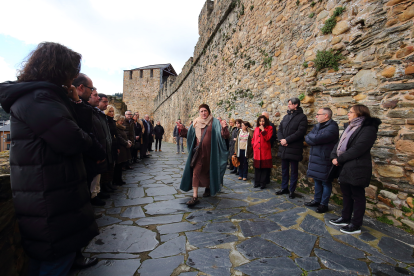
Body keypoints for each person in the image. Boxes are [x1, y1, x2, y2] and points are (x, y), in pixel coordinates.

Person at [0, 42, 99, 276]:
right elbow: (74, 139)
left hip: (51, 191)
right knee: (53, 262)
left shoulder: (45, 97)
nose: (73, 78)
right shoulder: (38, 98)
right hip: (47, 195)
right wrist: (91, 144)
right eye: (71, 72)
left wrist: (76, 103)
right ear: (58, 69)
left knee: (53, 258)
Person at [329, 105, 381, 234]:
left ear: (359, 114)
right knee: (346, 193)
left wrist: (339, 159)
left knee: (357, 196)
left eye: (350, 112)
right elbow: (339, 144)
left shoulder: (368, 129)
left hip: (358, 167)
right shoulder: (349, 127)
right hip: (344, 166)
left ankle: (356, 224)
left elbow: (358, 148)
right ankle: (345, 218)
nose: (348, 114)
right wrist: (334, 156)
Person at [178, 104, 229, 206]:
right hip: (199, 153)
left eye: (205, 111)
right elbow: (189, 135)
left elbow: (223, 135)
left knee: (209, 171)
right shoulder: (196, 122)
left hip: (211, 153)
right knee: (195, 172)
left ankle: (208, 188)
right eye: (201, 111)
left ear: (208, 111)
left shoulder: (214, 122)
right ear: (199, 112)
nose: (203, 113)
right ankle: (195, 196)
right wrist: (182, 129)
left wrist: (224, 128)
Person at [73, 74, 108, 206]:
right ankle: (93, 196)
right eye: (94, 93)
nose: (98, 98)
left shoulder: (91, 112)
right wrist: (98, 151)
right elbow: (86, 133)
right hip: (89, 154)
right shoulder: (86, 111)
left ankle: (96, 193)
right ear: (81, 88)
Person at [304, 108, 339, 213]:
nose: (316, 116)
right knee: (317, 181)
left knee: (325, 182)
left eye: (318, 114)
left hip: (325, 159)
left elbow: (315, 139)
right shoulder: (318, 126)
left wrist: (314, 138)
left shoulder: (332, 127)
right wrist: (314, 138)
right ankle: (317, 200)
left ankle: (324, 204)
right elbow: (308, 137)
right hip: (316, 158)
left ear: (326, 116)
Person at [275, 98, 308, 199]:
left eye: (290, 104)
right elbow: (280, 129)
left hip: (294, 148)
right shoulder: (286, 117)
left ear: (296, 105)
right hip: (284, 148)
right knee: (284, 170)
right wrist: (281, 140)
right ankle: (284, 187)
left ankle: (292, 190)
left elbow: (300, 132)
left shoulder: (302, 117)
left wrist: (287, 140)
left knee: (294, 171)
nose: (288, 106)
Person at [97, 94, 117, 194]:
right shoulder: (102, 118)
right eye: (104, 102)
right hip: (104, 146)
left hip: (110, 145)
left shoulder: (110, 121)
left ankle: (108, 183)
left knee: (110, 166)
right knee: (104, 167)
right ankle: (103, 186)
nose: (106, 103)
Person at [252, 115, 273, 189]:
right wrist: (253, 145)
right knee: (257, 168)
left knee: (264, 168)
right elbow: (253, 138)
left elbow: (267, 138)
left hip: (265, 152)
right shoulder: (256, 129)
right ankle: (257, 182)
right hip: (257, 152)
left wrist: (263, 130)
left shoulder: (269, 128)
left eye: (263, 121)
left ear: (265, 121)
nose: (261, 122)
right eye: (260, 121)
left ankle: (263, 183)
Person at [104, 105, 120, 190]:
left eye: (112, 111)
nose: (111, 113)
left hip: (113, 144)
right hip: (108, 144)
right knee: (108, 164)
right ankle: (105, 184)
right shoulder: (105, 121)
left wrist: (117, 146)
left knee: (112, 164)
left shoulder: (112, 122)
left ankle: (109, 182)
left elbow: (116, 135)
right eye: (110, 111)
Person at [114, 115, 132, 185]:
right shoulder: (116, 128)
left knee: (120, 165)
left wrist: (128, 141)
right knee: (118, 165)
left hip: (123, 148)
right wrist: (126, 143)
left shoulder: (121, 128)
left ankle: (119, 179)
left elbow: (124, 136)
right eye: (120, 120)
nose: (122, 122)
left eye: (122, 120)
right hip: (120, 148)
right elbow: (119, 138)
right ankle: (117, 180)